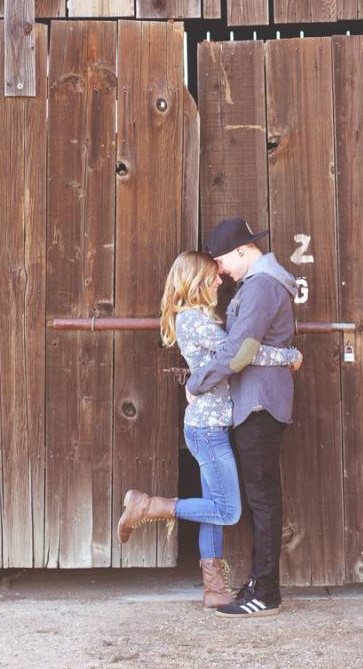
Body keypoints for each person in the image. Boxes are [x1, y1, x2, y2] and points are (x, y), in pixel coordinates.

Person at [117, 250, 302, 610]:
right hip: (207, 428)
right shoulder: (194, 321)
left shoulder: (201, 318)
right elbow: (242, 353)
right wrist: (288, 356)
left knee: (212, 508)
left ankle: (214, 587)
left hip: (214, 424)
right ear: (196, 281)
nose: (220, 280)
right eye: (212, 276)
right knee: (226, 510)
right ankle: (149, 506)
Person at [185, 218, 298, 618]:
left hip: (260, 404)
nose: (220, 270)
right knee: (257, 497)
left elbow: (240, 351)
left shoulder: (263, 286)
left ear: (241, 251)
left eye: (220, 261)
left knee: (263, 499)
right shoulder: (256, 285)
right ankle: (259, 582)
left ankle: (266, 592)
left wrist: (198, 382)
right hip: (253, 402)